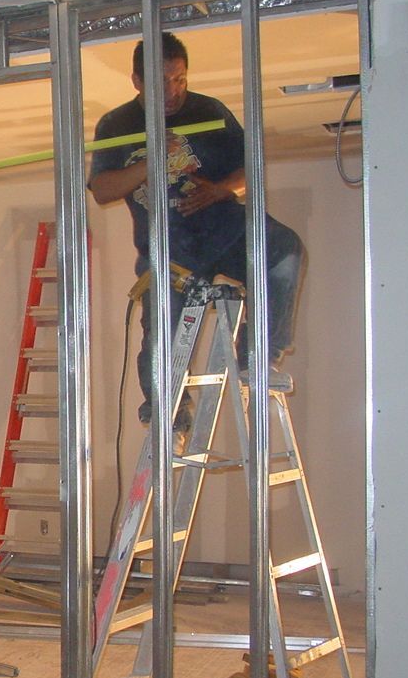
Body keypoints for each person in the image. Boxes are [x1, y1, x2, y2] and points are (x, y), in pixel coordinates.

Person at [88, 31, 305, 434]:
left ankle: (258, 356)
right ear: (137, 81)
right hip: (170, 247)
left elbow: (250, 167)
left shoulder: (210, 112)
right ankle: (168, 410)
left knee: (283, 248)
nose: (173, 92)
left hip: (221, 227)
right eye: (161, 83)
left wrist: (222, 189)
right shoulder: (117, 124)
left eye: (179, 79)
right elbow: (102, 190)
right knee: (161, 336)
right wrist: (153, 161)